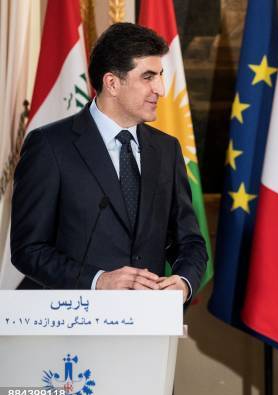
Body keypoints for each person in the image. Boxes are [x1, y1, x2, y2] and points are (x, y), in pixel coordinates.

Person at [11, 23, 207, 304]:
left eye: (160, 76)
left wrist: (183, 283)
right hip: (73, 327)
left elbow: (189, 241)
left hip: (146, 325)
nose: (161, 89)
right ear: (112, 83)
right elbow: (28, 249)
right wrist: (97, 280)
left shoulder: (166, 150)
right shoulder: (50, 146)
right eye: (148, 77)